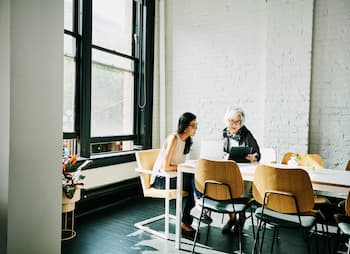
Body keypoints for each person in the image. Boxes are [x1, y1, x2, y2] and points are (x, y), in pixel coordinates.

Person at [151, 112, 198, 239]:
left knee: (195, 183)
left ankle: (187, 220)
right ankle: (199, 207)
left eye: (196, 125)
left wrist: (186, 166)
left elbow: (177, 163)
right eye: (193, 125)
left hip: (173, 176)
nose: (196, 128)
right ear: (185, 126)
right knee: (195, 182)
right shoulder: (174, 138)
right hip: (161, 179)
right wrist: (183, 167)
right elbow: (165, 167)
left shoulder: (186, 140)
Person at [221, 106, 261, 234]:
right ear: (226, 121)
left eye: (237, 122)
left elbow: (257, 153)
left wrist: (253, 157)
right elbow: (220, 151)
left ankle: (242, 218)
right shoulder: (223, 133)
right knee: (228, 188)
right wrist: (223, 155)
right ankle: (232, 219)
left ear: (241, 123)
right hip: (229, 169)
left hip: (245, 171)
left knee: (241, 189)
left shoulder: (246, 134)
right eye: (231, 121)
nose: (234, 125)